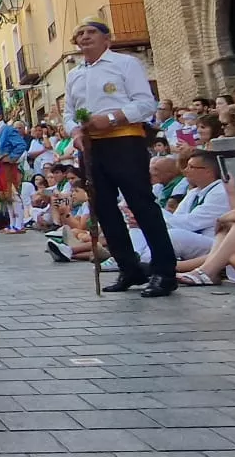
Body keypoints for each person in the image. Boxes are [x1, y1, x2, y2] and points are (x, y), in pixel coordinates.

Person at [63, 20, 177, 296]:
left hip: (124, 140)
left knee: (141, 204)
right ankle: (129, 267)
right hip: (90, 147)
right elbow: (68, 112)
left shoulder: (125, 64)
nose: (84, 37)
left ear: (107, 39)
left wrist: (111, 118)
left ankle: (164, 272)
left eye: (91, 32)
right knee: (103, 208)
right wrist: (74, 131)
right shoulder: (74, 74)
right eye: (80, 33)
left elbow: (145, 103)